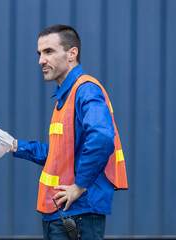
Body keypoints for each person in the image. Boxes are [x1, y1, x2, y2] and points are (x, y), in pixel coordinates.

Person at [10, 25, 128, 240]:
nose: (41, 61)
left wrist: (79, 186)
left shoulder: (86, 90)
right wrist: (15, 146)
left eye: (48, 52)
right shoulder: (67, 96)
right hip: (63, 213)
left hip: (78, 213)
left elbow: (102, 138)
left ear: (72, 53)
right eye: (39, 54)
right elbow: (59, 154)